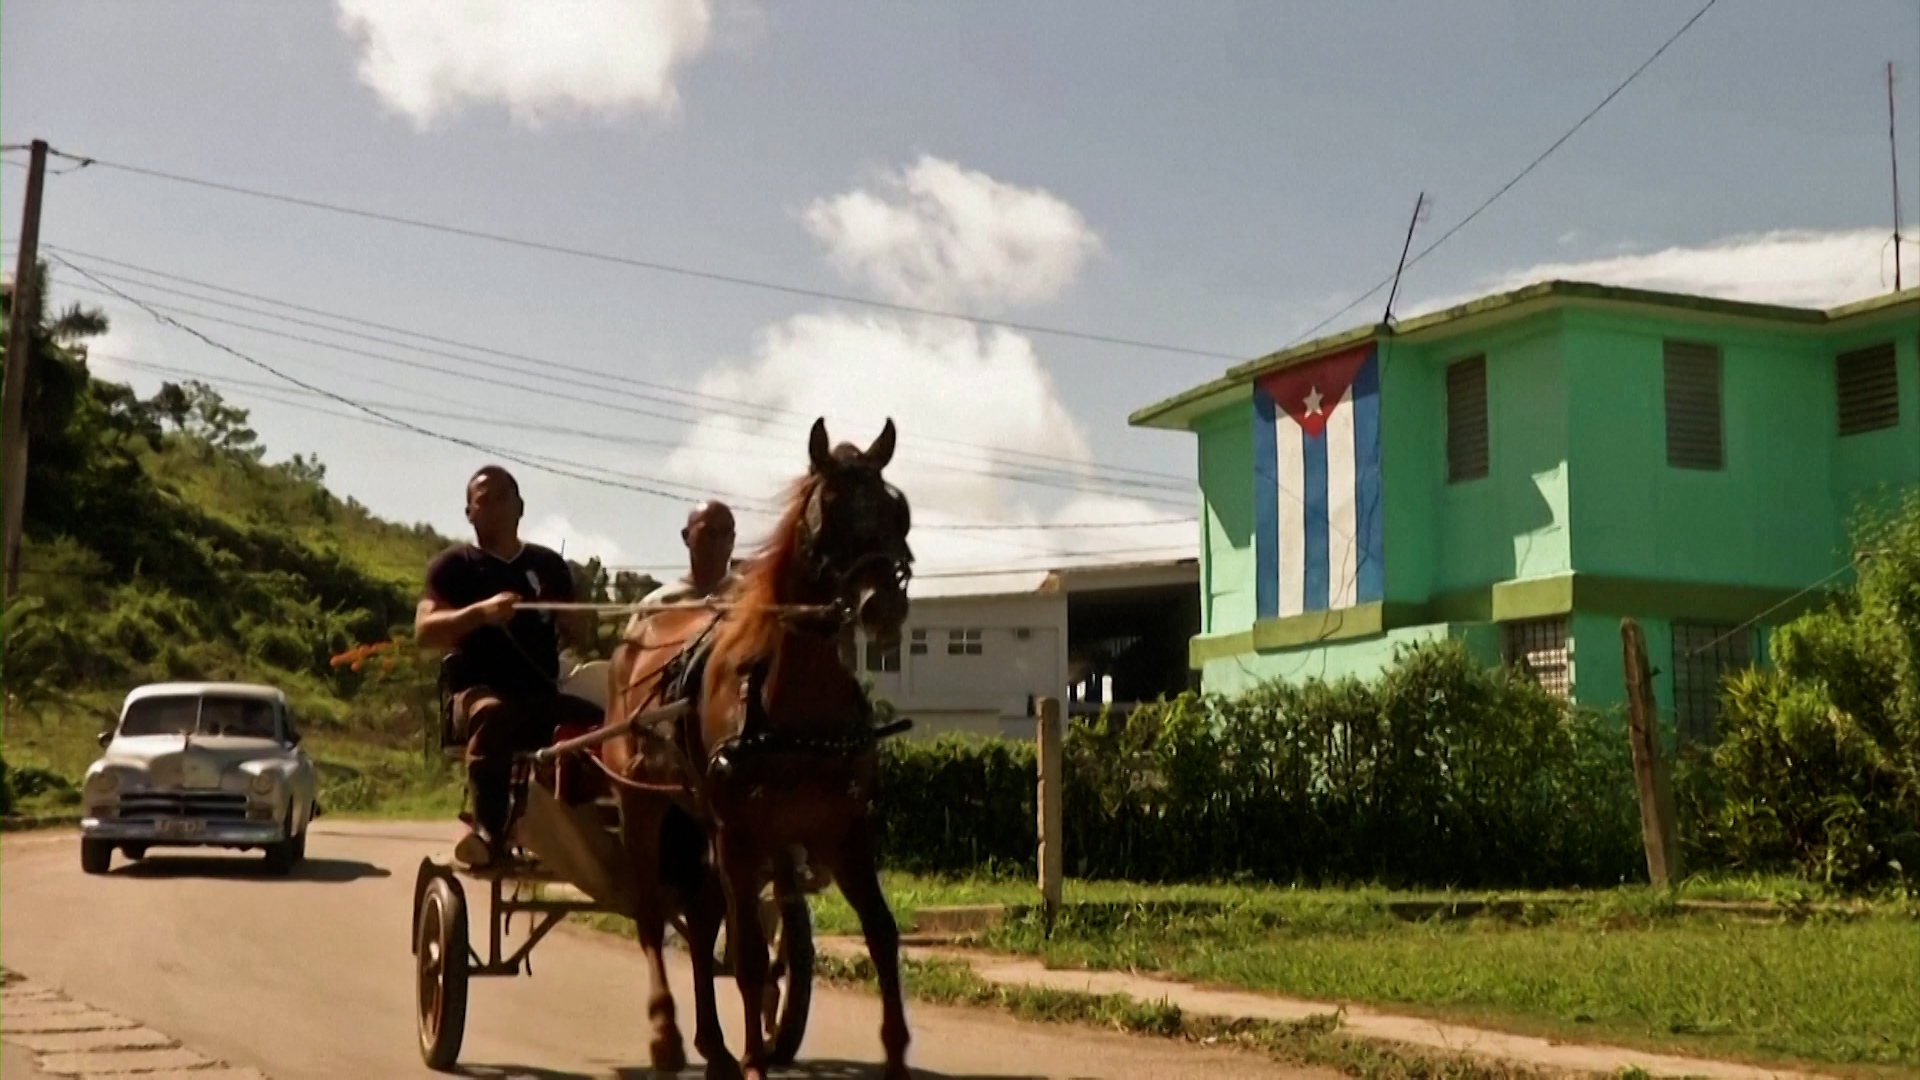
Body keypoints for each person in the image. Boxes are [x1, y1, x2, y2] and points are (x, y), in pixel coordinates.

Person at [416, 465, 599, 868]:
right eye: (483, 500)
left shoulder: (549, 566)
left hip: (541, 695)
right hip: (477, 694)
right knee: (493, 715)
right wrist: (479, 614)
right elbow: (424, 630)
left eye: (503, 498)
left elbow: (581, 632)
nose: (494, 507)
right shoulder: (453, 566)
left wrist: (571, 619)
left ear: (520, 507)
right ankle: (488, 832)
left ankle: (597, 834)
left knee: (604, 723)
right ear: (469, 514)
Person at [623, 500, 739, 639]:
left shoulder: (751, 599)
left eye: (726, 533)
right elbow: (631, 656)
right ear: (686, 536)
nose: (718, 542)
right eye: (709, 533)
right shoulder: (657, 605)